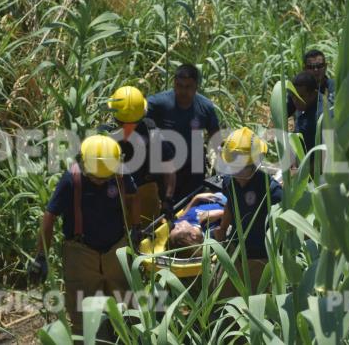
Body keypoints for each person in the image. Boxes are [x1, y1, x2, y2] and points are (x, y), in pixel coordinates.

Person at [28, 135, 140, 335]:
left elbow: (132, 198)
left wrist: (136, 227)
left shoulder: (120, 174)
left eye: (104, 177)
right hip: (81, 252)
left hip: (116, 249)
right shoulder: (72, 179)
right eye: (95, 177)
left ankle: (126, 336)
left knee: (126, 303)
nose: (99, 181)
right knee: (81, 309)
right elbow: (49, 216)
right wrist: (41, 256)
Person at [213, 127, 282, 293]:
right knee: (223, 297)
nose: (239, 175)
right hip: (236, 250)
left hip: (262, 257)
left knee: (257, 302)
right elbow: (231, 204)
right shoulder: (229, 181)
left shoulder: (272, 191)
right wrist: (223, 228)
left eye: (244, 169)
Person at [103, 85, 177, 225]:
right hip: (115, 200)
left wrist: (167, 200)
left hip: (145, 198)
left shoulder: (150, 133)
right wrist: (168, 199)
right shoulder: (105, 137)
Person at [146, 64, 220, 201]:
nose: (183, 91)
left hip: (194, 167)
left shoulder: (205, 107)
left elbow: (216, 138)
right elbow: (137, 112)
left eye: (188, 87)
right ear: (174, 83)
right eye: (179, 86)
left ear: (196, 86)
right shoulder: (159, 103)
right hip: (166, 167)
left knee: (191, 206)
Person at [167, 192, 226, 258]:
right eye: (177, 228)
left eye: (173, 228)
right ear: (193, 235)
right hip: (226, 202)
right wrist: (222, 213)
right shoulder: (211, 233)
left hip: (209, 198)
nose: (176, 225)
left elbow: (184, 214)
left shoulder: (183, 222)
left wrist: (197, 198)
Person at [287, 49, 335, 117]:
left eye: (319, 66)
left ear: (326, 66)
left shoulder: (335, 87)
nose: (316, 70)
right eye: (311, 67)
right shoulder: (297, 88)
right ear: (304, 68)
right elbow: (284, 113)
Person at [291, 71, 326, 154]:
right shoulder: (305, 104)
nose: (295, 101)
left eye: (301, 96)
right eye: (293, 95)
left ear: (313, 94)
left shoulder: (318, 118)